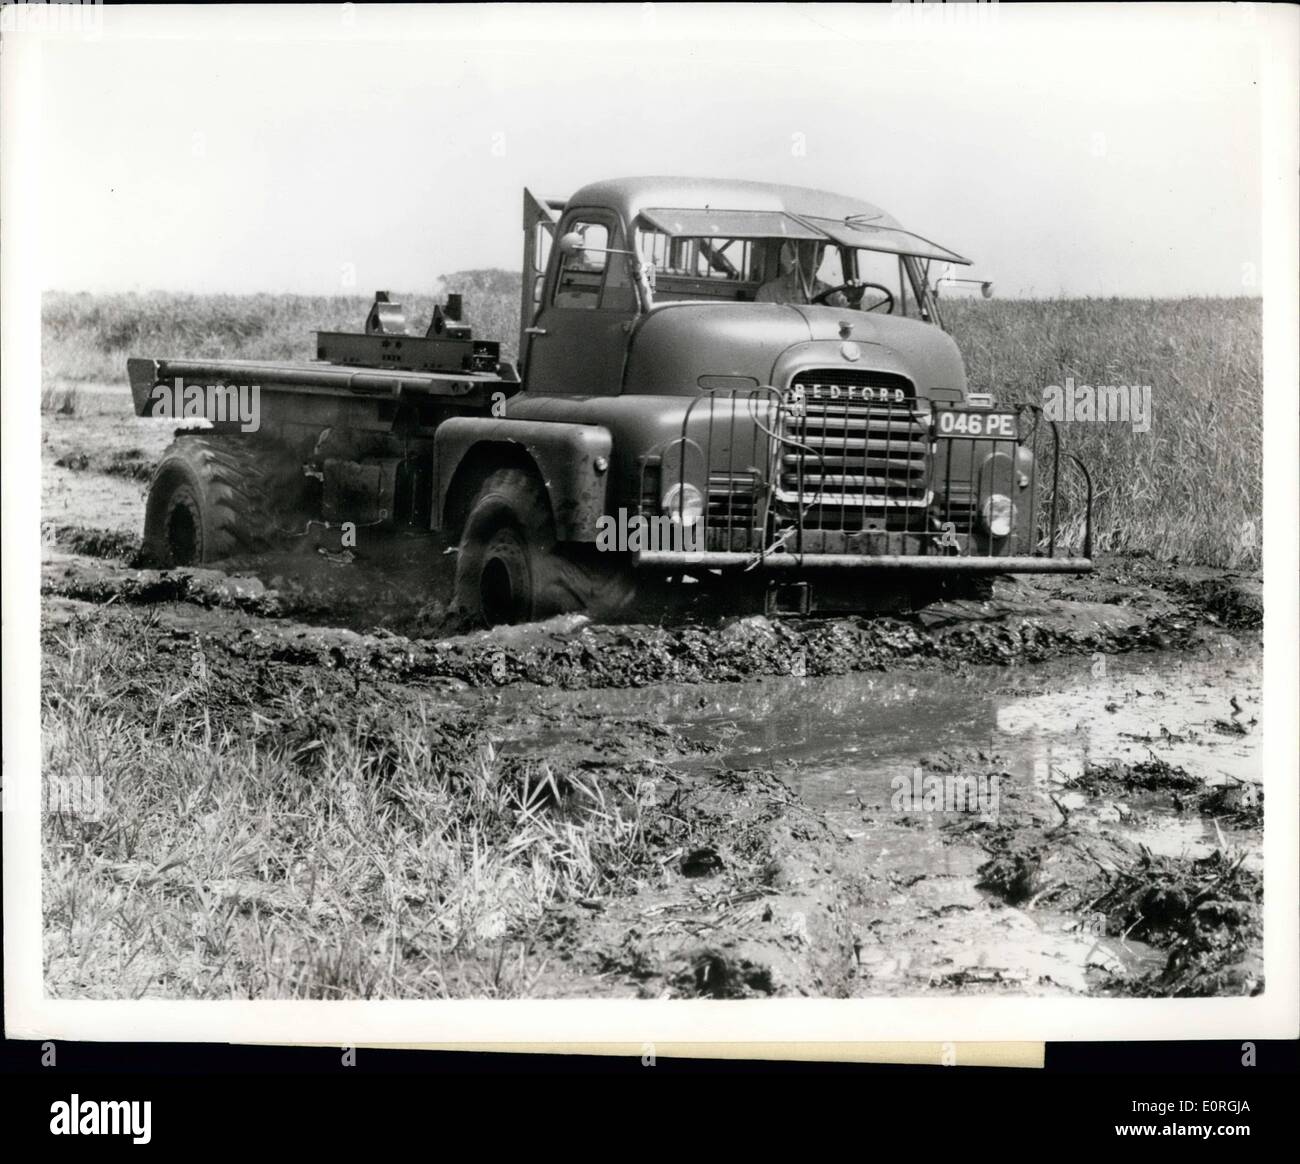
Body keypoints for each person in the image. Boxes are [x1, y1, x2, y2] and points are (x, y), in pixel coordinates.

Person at [755, 240, 847, 306]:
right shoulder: (769, 292)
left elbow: (848, 321)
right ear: (796, 252)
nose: (816, 257)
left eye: (820, 250)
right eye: (810, 249)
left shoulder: (831, 294)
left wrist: (854, 301)